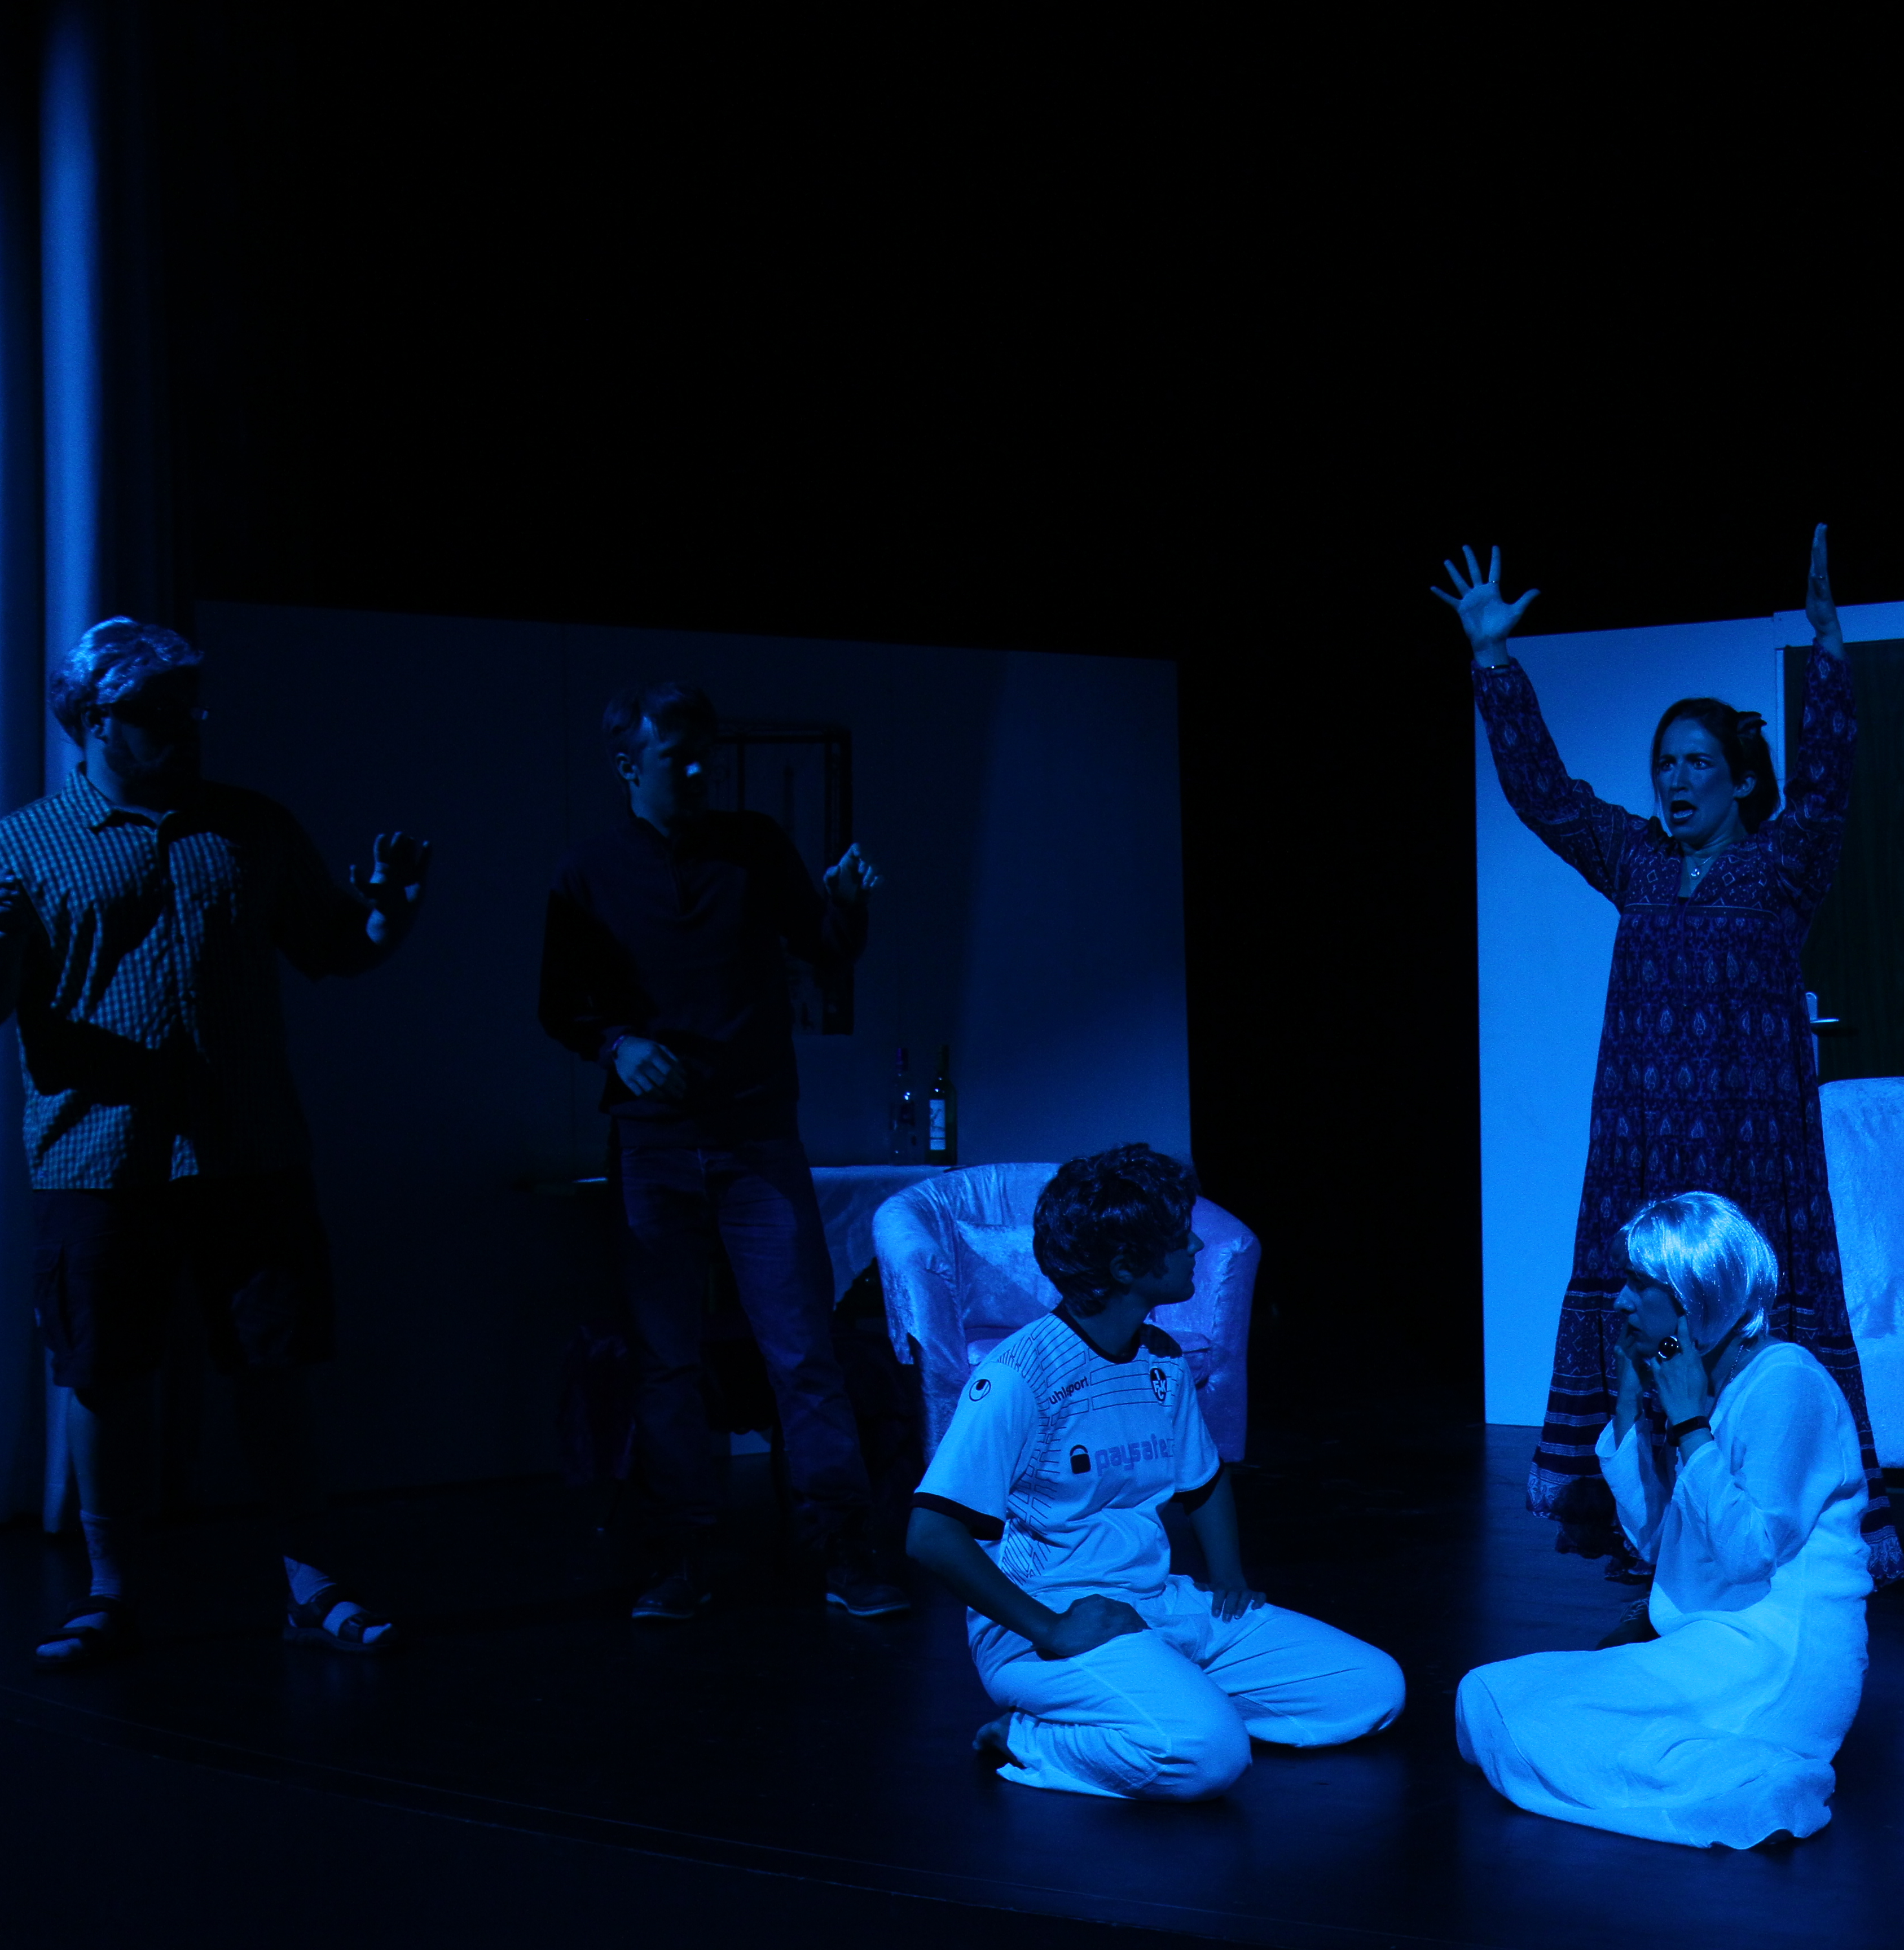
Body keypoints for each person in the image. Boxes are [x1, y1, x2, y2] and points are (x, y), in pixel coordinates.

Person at [1444, 529, 1899, 1589]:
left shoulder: (1783, 862)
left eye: (1697, 763)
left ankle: (1764, 1513)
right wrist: (1492, 659)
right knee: (1645, 1319)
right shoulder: (1636, 861)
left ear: (1740, 780)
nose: (1676, 780)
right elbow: (1546, 795)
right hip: (1645, 1144)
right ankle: (1649, 1538)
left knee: (1741, 1316)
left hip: (1748, 1149)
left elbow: (1828, 784)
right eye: (1664, 764)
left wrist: (1830, 652)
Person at [0, 618, 429, 1666]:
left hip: (250, 1150)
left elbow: (331, 946)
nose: (184, 729)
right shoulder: (25, 845)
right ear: (92, 721)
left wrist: (384, 920)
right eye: (157, 713)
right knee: (105, 1373)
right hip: (99, 1158)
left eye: (189, 709)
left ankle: (309, 1584)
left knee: (275, 1365)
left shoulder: (251, 826)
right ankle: (110, 1591)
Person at [537, 680, 907, 1621]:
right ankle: (680, 1554)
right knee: (665, 1361)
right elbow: (560, 1004)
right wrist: (619, 1043)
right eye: (678, 756)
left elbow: (825, 947)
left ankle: (840, 1549)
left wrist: (847, 907)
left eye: (705, 752)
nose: (700, 770)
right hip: (653, 1146)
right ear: (629, 765)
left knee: (802, 1350)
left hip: (754, 1136)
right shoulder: (589, 872)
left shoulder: (753, 846)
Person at [904, 1144, 1404, 1800]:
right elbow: (931, 1534)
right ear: (1125, 1266)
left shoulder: (1161, 1360)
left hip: (1156, 1602)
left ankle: (1172, 1694)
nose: (1196, 1245)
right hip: (1051, 1624)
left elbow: (1203, 1480)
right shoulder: (1018, 1376)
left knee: (1371, 1689)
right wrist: (1050, 1628)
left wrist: (1228, 1579)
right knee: (1209, 1756)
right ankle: (1026, 1737)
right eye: (1178, 1237)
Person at [1457, 1192, 1870, 1848]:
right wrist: (1632, 1398)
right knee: (1484, 1696)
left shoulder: (1787, 1381)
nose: (1621, 1303)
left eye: (1640, 1285)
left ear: (1694, 1298)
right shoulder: (1707, 1383)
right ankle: (1715, 1768)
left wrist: (1690, 1426)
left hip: (1773, 1657)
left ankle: (1760, 1783)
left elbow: (1748, 1554)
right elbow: (1659, 1546)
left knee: (1527, 1723)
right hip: (1706, 1642)